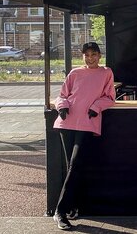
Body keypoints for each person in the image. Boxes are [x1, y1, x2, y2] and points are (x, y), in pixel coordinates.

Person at [52, 42, 115, 230]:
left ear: (100, 55)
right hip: (67, 122)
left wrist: (96, 108)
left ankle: (60, 211)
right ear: (82, 56)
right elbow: (62, 95)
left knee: (75, 164)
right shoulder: (74, 73)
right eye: (87, 55)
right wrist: (62, 106)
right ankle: (71, 206)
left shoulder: (106, 73)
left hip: (87, 122)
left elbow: (110, 97)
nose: (90, 58)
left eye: (94, 54)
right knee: (72, 167)